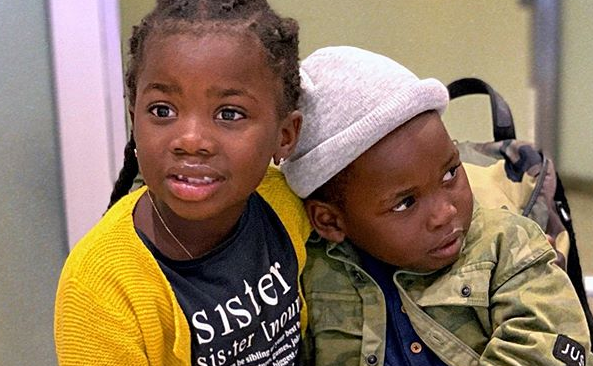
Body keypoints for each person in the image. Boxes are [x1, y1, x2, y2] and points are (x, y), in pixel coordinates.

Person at [282, 46, 592, 366]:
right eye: (405, 203)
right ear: (330, 222)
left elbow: (543, 349)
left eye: (450, 173)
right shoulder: (309, 269)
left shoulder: (509, 247)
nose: (446, 213)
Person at [54, 1, 312, 365]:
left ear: (285, 136)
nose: (190, 140)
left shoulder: (285, 202)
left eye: (229, 113)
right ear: (134, 122)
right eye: (163, 110)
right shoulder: (100, 284)